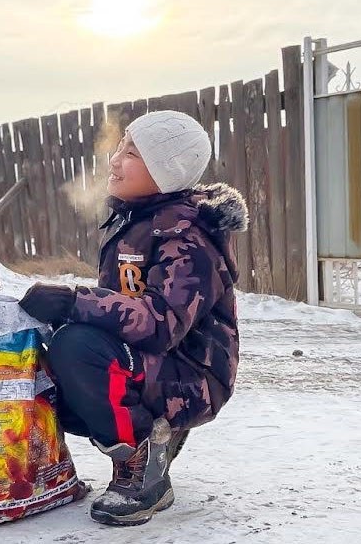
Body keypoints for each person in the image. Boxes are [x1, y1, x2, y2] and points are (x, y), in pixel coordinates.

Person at [18, 110, 247, 527]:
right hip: (159, 367)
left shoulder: (186, 237)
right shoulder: (140, 221)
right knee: (54, 370)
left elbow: (161, 325)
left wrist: (74, 301)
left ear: (166, 170)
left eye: (132, 153)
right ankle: (156, 433)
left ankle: (143, 461)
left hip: (195, 377)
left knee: (78, 349)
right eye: (120, 146)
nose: (116, 160)